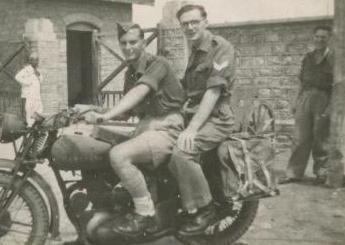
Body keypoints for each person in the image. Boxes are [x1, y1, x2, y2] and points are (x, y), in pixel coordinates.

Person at [84, 23, 185, 236]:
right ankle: (111, 204)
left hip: (167, 127)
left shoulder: (158, 64)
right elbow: (127, 110)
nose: (128, 47)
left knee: (119, 155)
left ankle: (145, 214)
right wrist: (91, 109)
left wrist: (105, 116)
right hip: (146, 126)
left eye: (133, 42)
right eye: (123, 43)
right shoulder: (130, 71)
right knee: (97, 145)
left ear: (143, 42)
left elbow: (140, 92)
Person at [168, 4, 237, 236]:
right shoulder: (195, 52)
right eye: (184, 24)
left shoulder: (221, 48)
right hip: (196, 114)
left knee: (182, 152)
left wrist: (192, 129)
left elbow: (213, 92)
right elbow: (185, 90)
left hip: (217, 118)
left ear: (205, 21)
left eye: (194, 22)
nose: (189, 27)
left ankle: (205, 210)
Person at [280, 26, 334, 185]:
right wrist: (295, 101)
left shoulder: (334, 58)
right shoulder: (308, 57)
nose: (319, 40)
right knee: (299, 137)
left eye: (323, 37)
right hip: (305, 97)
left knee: (321, 138)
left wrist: (330, 106)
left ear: (329, 39)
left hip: (323, 98)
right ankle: (293, 173)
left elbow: (337, 85)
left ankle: (321, 173)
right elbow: (300, 82)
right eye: (317, 36)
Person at [15, 52, 43, 125]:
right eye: (34, 60)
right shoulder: (26, 70)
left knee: (38, 109)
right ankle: (29, 126)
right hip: (28, 95)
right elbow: (17, 77)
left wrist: (39, 75)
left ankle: (35, 125)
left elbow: (41, 80)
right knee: (29, 110)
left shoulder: (37, 70)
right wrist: (27, 82)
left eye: (37, 60)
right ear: (30, 61)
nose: (36, 62)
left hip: (36, 94)